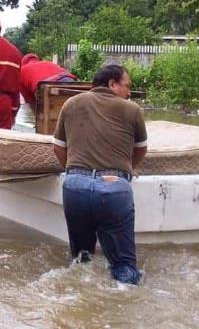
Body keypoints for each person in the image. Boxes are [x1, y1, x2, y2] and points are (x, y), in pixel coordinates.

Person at [52, 64, 147, 285]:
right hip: (114, 189)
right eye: (127, 86)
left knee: (80, 261)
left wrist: (75, 172)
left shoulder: (71, 103)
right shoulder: (132, 110)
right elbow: (141, 148)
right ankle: (122, 310)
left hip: (75, 187)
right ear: (112, 84)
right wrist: (127, 169)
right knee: (123, 267)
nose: (129, 92)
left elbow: (58, 147)